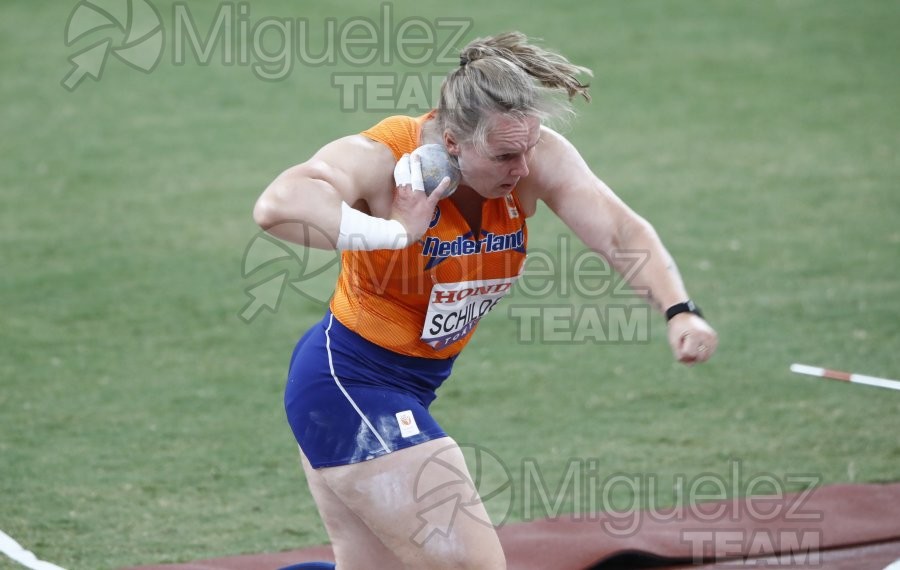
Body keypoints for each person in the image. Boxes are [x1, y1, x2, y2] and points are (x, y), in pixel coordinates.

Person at [253, 31, 718, 570]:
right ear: (452, 142)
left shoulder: (531, 159)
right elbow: (279, 206)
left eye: (529, 147)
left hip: (408, 385)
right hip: (348, 386)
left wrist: (679, 310)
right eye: (504, 156)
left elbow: (619, 231)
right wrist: (395, 231)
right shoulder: (383, 159)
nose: (523, 168)